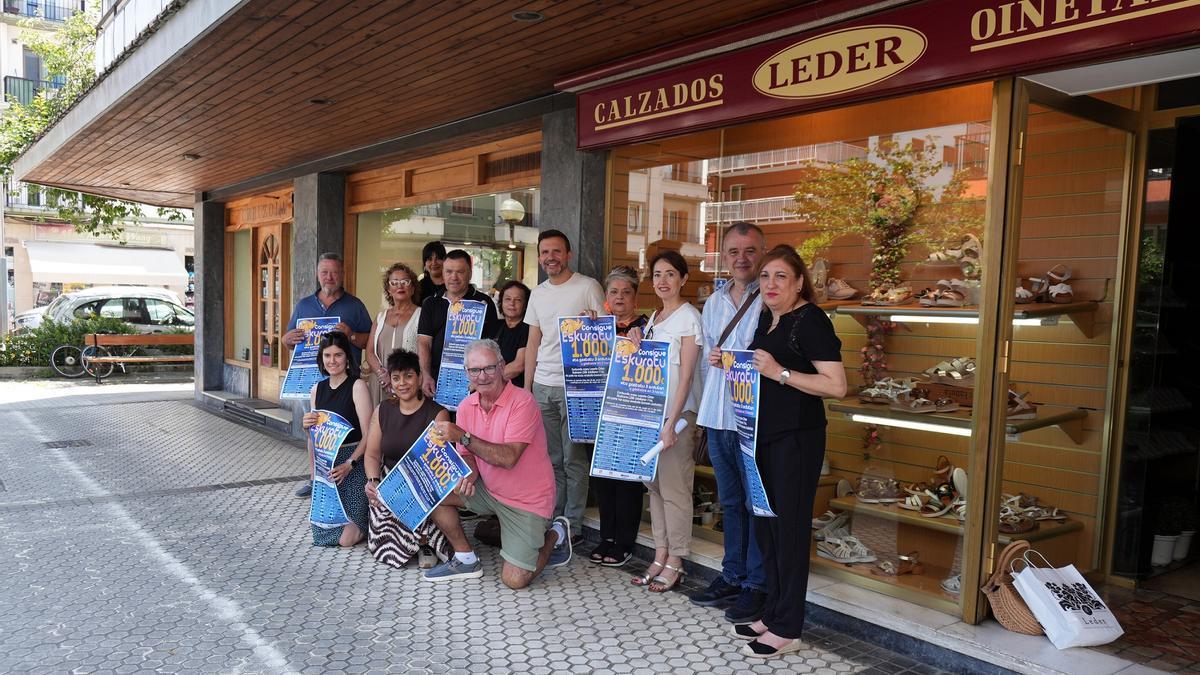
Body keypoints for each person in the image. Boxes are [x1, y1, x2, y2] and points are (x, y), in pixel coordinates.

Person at [733, 245, 845, 658]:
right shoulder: (768, 316)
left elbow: (835, 385)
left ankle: (789, 627)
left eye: (781, 276)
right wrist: (733, 363)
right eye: (765, 276)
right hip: (762, 436)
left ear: (799, 282)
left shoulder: (811, 320)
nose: (770, 284)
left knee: (790, 532)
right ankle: (773, 611)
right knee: (767, 526)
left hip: (795, 440)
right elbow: (762, 367)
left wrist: (778, 372)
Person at [423, 339, 572, 588]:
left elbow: (508, 458)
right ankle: (465, 557)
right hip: (490, 490)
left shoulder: (523, 402)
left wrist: (462, 436)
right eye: (475, 370)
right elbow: (467, 454)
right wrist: (468, 476)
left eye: (489, 368)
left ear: (502, 366)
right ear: (467, 374)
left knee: (514, 580)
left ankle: (555, 533)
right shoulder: (466, 406)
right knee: (431, 488)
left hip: (527, 501)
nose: (482, 376)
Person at [690, 222, 769, 623]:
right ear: (723, 256)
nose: (742, 258)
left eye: (750, 250)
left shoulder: (771, 299)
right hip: (718, 414)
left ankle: (757, 585)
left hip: (753, 419)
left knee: (757, 505)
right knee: (731, 501)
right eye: (734, 251)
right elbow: (707, 360)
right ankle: (732, 575)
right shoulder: (714, 301)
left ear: (762, 254)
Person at [522, 229, 605, 543]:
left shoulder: (587, 287)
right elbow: (533, 342)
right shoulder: (538, 293)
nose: (550, 258)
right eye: (545, 252)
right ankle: (556, 518)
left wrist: (595, 322)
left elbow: (605, 332)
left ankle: (574, 523)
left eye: (556, 251)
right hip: (544, 385)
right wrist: (528, 389)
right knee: (551, 458)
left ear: (568, 254)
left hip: (577, 387)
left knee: (574, 459)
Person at [630, 250, 704, 594]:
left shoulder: (689, 318)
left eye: (670, 274)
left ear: (684, 279)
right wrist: (635, 343)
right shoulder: (654, 319)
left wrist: (672, 423)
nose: (663, 281)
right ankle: (660, 554)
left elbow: (686, 376)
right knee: (655, 489)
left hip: (676, 419)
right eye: (657, 274)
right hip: (651, 415)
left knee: (675, 491)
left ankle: (677, 559)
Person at [285, 252, 373, 497]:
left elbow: (369, 341)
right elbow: (289, 337)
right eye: (325, 272)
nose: (330, 277)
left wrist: (352, 335)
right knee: (316, 430)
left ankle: (351, 474)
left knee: (348, 430)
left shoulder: (355, 306)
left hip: (345, 382)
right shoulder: (303, 305)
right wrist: (286, 339)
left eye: (334, 272)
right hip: (312, 382)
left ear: (342, 274)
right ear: (317, 274)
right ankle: (316, 478)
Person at [362, 349, 452, 567]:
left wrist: (413, 485)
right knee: (383, 531)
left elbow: (441, 463)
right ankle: (419, 541)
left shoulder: (438, 413)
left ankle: (425, 542)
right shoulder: (382, 410)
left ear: (420, 377)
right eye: (396, 378)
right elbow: (372, 454)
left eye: (408, 376)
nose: (402, 383)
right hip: (390, 477)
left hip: (425, 480)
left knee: (418, 500)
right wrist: (373, 481)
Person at [589, 265, 648, 567]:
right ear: (606, 296)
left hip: (631, 412)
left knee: (627, 480)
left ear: (635, 297)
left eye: (626, 292)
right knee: (602, 477)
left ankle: (624, 541)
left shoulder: (647, 328)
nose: (620, 297)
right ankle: (606, 536)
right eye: (614, 292)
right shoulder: (598, 326)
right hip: (600, 412)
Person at [301, 331, 373, 547]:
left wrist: (350, 463)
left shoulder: (357, 386)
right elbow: (314, 438)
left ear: (347, 357)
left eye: (338, 355)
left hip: (353, 464)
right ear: (321, 358)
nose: (332, 361)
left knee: (345, 540)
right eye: (327, 355)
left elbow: (369, 433)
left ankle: (370, 523)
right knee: (322, 533)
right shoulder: (317, 389)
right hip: (327, 468)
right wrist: (314, 474)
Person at [417, 249, 500, 399]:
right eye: (449, 272)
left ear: (469, 273)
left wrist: (482, 379)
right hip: (437, 382)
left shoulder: (483, 303)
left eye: (460, 272)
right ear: (443, 273)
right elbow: (424, 343)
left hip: (475, 383)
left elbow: (492, 346)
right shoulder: (430, 303)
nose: (453, 277)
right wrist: (426, 375)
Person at [365, 263, 422, 407]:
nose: (400, 286)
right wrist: (382, 374)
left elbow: (425, 351)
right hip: (380, 382)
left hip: (407, 384)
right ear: (389, 289)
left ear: (413, 288)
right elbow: (370, 352)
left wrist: (398, 377)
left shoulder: (421, 315)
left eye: (405, 282)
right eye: (394, 283)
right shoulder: (380, 317)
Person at [495, 280, 531, 389]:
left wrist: (486, 379)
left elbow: (519, 365)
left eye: (518, 300)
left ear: (525, 305)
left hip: (517, 391)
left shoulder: (529, 328)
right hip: (494, 391)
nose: (512, 303)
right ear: (501, 302)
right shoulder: (495, 326)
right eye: (507, 299)